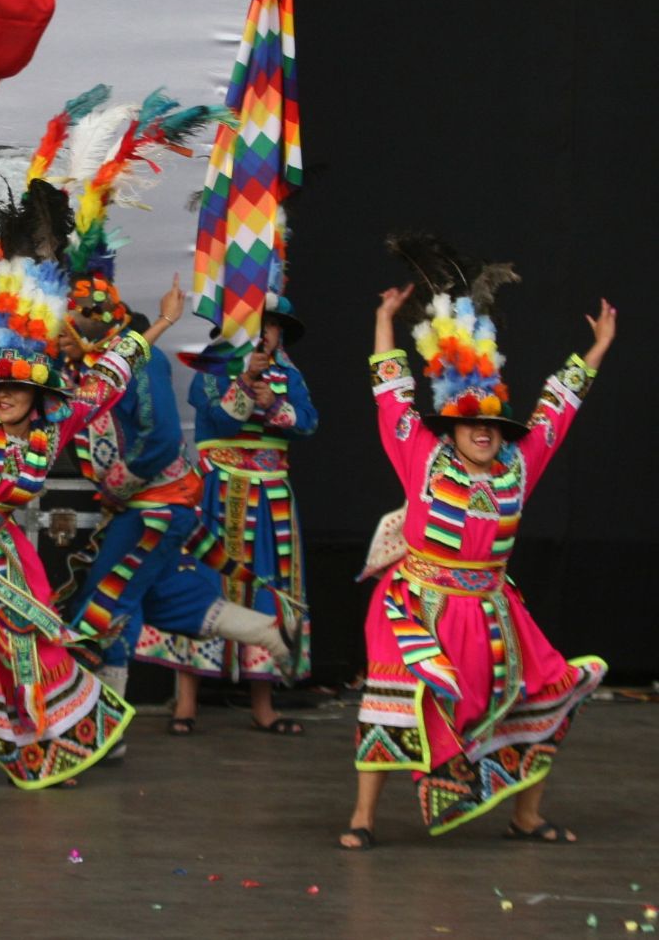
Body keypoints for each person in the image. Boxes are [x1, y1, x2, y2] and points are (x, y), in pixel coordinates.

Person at [0, 89, 189, 791]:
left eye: (20, 389)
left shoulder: (57, 421)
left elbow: (109, 373)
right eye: (1, 388)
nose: (8, 395)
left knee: (25, 639)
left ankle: (41, 741)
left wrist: (160, 325)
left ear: (41, 395)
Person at [38, 90, 298, 738]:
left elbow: (156, 431)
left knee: (109, 601)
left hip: (157, 501)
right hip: (148, 503)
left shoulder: (135, 361)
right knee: (162, 597)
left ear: (94, 318)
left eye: (70, 322)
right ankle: (267, 626)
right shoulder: (96, 365)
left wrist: (124, 479)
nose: (61, 333)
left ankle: (101, 733)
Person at [341, 235, 612, 849]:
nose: (484, 432)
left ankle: (525, 815)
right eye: (471, 423)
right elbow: (390, 393)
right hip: (418, 606)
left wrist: (595, 349)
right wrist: (384, 320)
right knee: (392, 704)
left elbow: (557, 410)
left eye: (491, 423)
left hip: (490, 609)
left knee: (546, 693)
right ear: (453, 426)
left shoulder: (519, 465)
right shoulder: (423, 457)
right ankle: (362, 819)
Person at [139, 299, 318, 734]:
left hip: (271, 495)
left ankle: (263, 704)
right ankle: (185, 704)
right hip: (218, 492)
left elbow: (308, 422)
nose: (263, 334)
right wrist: (245, 381)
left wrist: (274, 401)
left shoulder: (290, 376)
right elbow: (219, 420)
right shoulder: (212, 369)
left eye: (270, 327)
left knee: (268, 589)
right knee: (203, 584)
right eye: (254, 326)